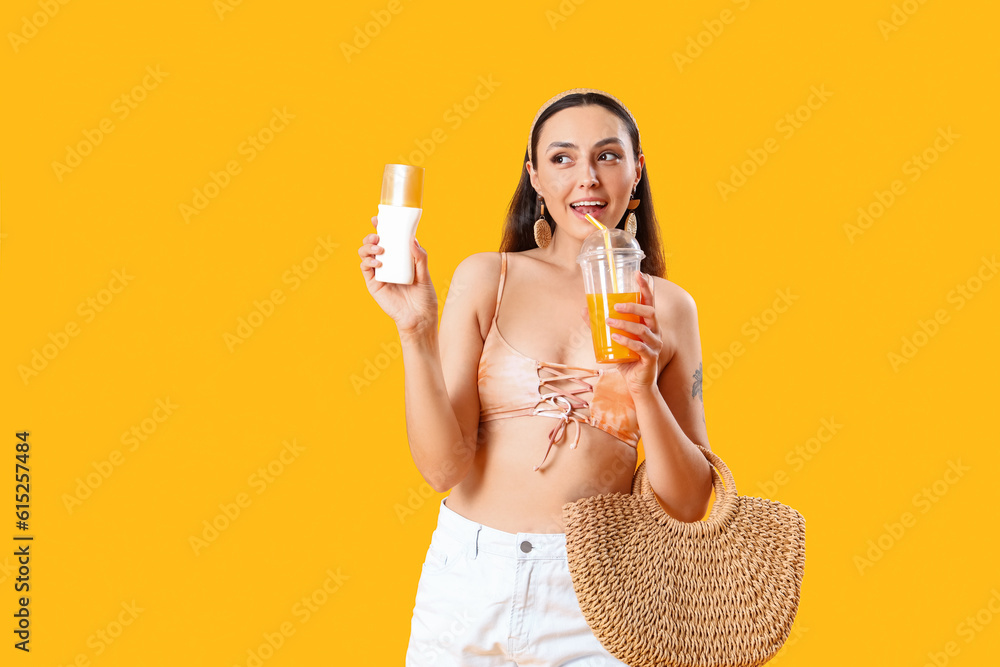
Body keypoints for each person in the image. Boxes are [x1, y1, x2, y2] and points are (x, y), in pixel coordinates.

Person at [359, 88, 715, 666]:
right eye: (562, 158)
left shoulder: (670, 309)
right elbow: (441, 469)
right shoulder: (486, 279)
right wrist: (414, 331)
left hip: (601, 593)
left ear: (636, 171)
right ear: (535, 177)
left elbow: (691, 502)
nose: (588, 179)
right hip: (468, 582)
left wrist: (643, 388)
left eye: (607, 155)